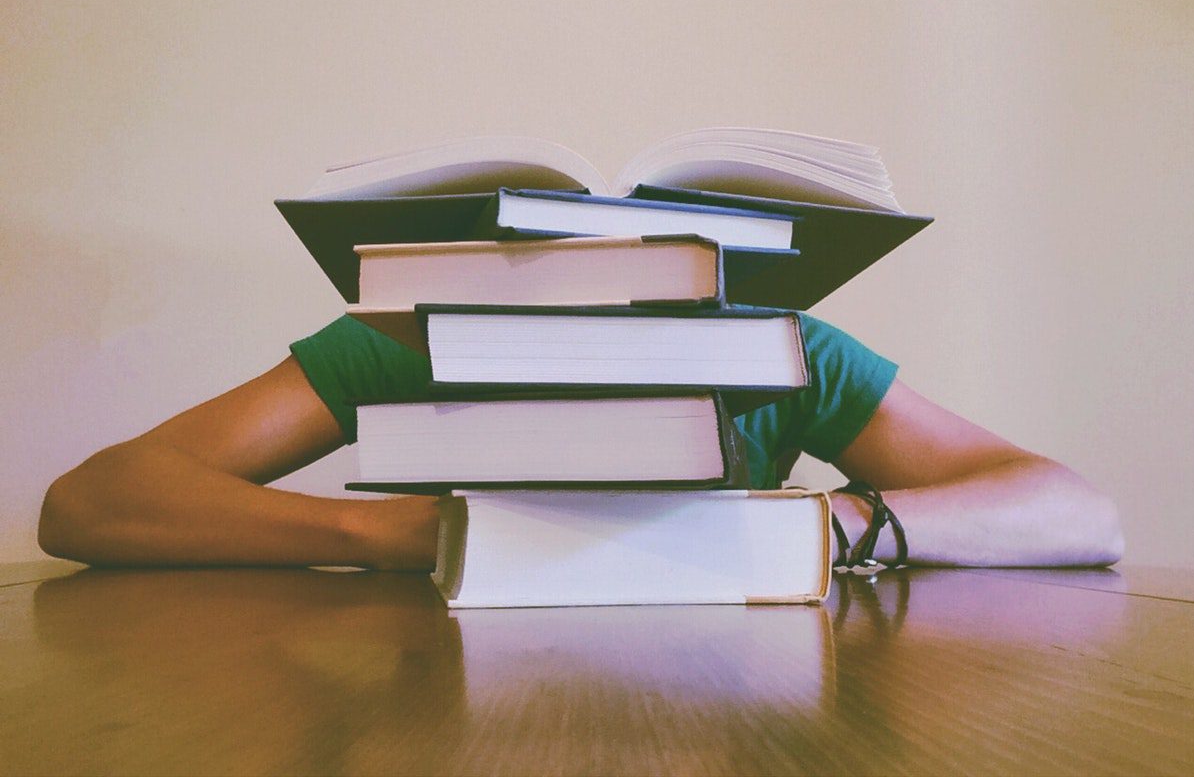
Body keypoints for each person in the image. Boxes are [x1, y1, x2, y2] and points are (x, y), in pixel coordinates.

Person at [37, 313, 1124, 570]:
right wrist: (409, 532)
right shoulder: (417, 333)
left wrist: (836, 522)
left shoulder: (779, 350)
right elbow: (88, 501)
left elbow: (1078, 509)